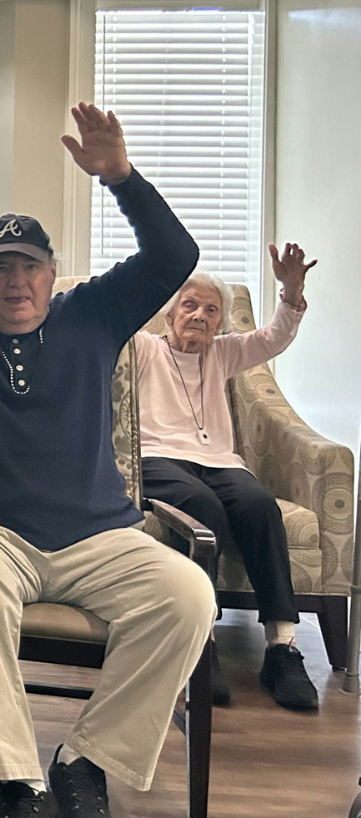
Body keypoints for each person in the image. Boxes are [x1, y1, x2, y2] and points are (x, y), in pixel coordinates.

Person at [0, 104, 217, 818]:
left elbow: (174, 256)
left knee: (189, 596)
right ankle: (19, 777)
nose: (16, 281)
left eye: (30, 266)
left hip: (99, 537)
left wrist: (121, 177)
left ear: (53, 275)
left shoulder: (96, 312)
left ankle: (87, 759)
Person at [136, 247, 320, 711]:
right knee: (202, 506)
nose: (199, 315)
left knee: (260, 506)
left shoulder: (223, 353)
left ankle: (282, 647)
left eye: (211, 310)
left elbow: (274, 337)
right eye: (189, 305)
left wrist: (291, 291)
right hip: (157, 458)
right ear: (170, 313)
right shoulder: (144, 348)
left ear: (220, 323)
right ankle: (203, 642)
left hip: (218, 460)